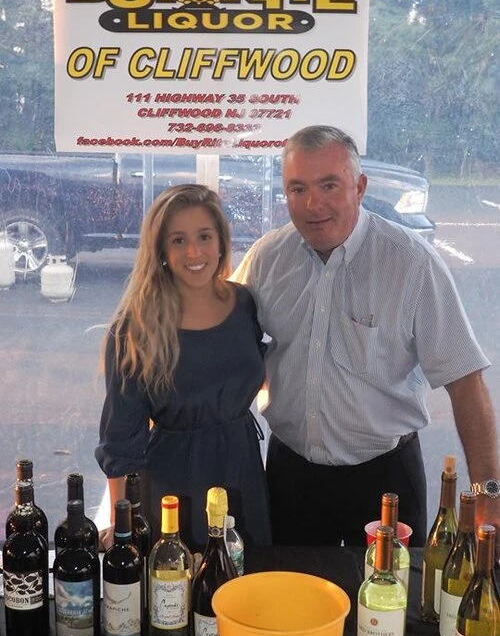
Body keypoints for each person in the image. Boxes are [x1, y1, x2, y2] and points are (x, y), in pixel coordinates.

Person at [234, 125, 500, 554]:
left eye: (329, 185)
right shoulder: (266, 259)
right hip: (290, 478)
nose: (313, 204)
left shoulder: (412, 264)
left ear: (359, 187)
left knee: (395, 596)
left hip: (387, 482)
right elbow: (218, 338)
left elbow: (466, 381)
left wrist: (489, 495)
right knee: (290, 593)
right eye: (298, 188)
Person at [95, 184, 272, 552]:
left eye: (204, 236)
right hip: (174, 490)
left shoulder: (244, 304)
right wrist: (120, 524)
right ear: (161, 250)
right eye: (178, 240)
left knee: (247, 576)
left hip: (243, 476)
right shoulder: (135, 329)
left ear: (221, 242)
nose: (194, 252)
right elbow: (121, 442)